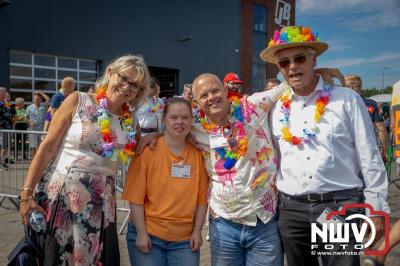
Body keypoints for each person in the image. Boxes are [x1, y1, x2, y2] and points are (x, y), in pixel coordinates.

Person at [262, 25, 390, 266]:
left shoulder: (346, 99)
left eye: (299, 58)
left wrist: (376, 208)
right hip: (292, 210)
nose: (292, 66)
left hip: (338, 207)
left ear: (314, 60)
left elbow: (369, 156)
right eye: (284, 62)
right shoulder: (276, 107)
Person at [18, 54, 149, 265]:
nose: (126, 87)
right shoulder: (78, 100)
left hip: (101, 205)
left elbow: (140, 155)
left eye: (134, 86)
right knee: (57, 257)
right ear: (110, 73)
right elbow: (47, 147)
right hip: (61, 198)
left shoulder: (131, 124)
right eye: (124, 78)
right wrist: (26, 194)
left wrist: (156, 137)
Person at [123, 97, 209, 266]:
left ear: (192, 120)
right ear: (164, 119)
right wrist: (141, 232)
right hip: (149, 234)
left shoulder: (199, 155)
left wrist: (198, 231)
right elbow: (136, 197)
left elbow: (202, 199)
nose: (180, 122)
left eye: (185, 117)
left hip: (185, 240)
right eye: (174, 117)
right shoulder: (147, 151)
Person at [345, 74, 389, 162]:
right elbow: (382, 129)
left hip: (345, 150)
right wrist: (384, 151)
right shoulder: (371, 104)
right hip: (367, 149)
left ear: (350, 88)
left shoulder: (340, 104)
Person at [26, 93, 47, 157]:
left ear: (41, 100)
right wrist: (29, 122)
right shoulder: (29, 107)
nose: (36, 100)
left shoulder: (43, 107)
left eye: (37, 99)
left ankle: (38, 160)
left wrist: (41, 93)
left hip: (41, 130)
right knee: (33, 146)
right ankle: (33, 161)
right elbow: (26, 117)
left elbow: (48, 100)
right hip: (32, 130)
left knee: (41, 146)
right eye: (35, 99)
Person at [0, 87, 15, 169]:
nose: (5, 95)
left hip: (7, 128)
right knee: (1, 146)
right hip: (2, 129)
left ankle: (2, 161)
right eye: (4, 93)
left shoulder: (4, 104)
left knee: (5, 146)